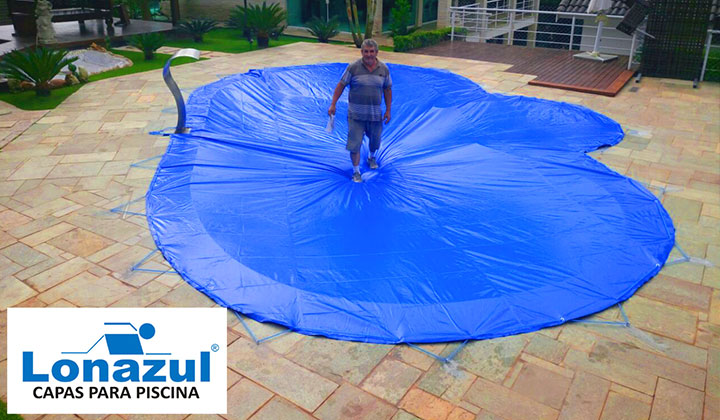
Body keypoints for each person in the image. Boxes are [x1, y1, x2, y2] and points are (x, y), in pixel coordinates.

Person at [328, 39, 392, 183]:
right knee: (354, 144)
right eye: (366, 51)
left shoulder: (384, 69)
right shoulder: (353, 68)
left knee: (375, 141)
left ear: (376, 52)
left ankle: (371, 156)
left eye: (371, 51)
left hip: (375, 115)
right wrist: (333, 104)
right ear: (361, 52)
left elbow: (387, 89)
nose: (369, 55)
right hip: (356, 115)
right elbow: (341, 85)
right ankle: (356, 171)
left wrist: (388, 110)